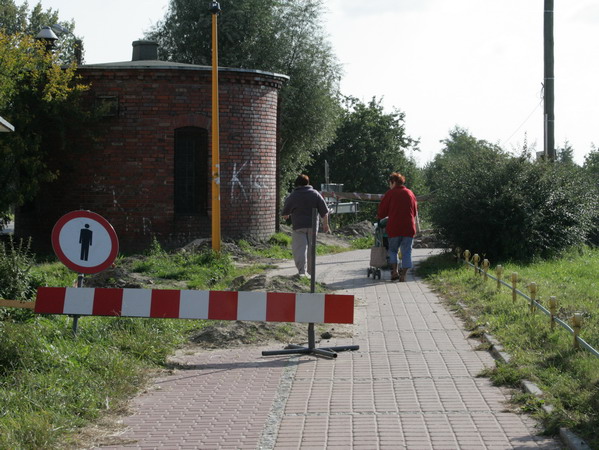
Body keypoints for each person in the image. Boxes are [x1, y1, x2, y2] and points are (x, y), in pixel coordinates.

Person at [282, 174, 330, 277]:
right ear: (308, 183)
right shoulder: (315, 194)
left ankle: (301, 272)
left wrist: (287, 216)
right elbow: (324, 212)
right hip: (312, 226)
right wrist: (326, 225)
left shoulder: (293, 195)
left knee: (300, 249)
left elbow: (285, 213)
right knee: (311, 248)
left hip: (298, 226)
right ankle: (311, 272)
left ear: (297, 184)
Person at [377, 172, 418, 282]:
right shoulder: (410, 193)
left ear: (393, 182)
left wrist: (381, 217)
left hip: (394, 227)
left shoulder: (390, 194)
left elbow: (382, 212)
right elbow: (414, 211)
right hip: (408, 227)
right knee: (407, 251)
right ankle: (403, 275)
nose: (389, 185)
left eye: (390, 183)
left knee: (393, 250)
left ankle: (394, 271)